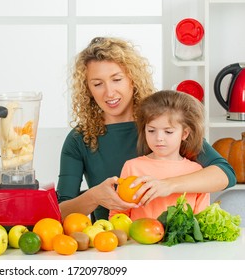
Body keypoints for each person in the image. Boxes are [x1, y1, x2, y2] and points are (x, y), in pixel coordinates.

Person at [56, 37, 236, 221]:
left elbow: (225, 174)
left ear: (132, 80)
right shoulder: (80, 138)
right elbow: (60, 211)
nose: (109, 92)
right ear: (88, 89)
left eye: (117, 79)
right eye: (97, 84)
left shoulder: (160, 126)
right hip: (112, 241)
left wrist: (167, 185)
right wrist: (93, 197)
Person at [109, 90, 209, 220]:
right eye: (151, 130)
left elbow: (201, 220)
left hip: (183, 241)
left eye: (168, 132)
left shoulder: (196, 172)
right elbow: (118, 215)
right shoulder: (132, 167)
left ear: (184, 134)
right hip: (138, 240)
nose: (159, 138)